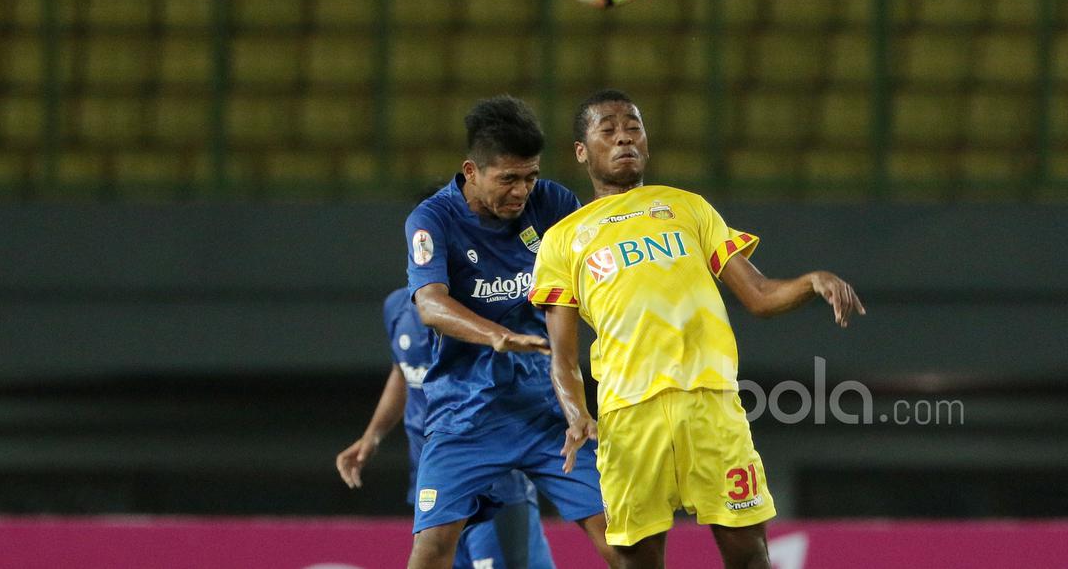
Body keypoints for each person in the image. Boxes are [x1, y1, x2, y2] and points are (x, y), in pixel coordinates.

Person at [529, 89, 865, 569]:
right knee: (634, 562)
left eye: (633, 127)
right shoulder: (563, 240)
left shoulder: (688, 207)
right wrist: (575, 411)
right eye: (608, 130)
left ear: (646, 143)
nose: (624, 136)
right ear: (583, 152)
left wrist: (811, 281)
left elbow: (760, 295)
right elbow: (561, 354)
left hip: (711, 404)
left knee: (750, 556)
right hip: (629, 415)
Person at [402, 96, 616, 568]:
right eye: (508, 179)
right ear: (471, 171)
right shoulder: (432, 220)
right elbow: (432, 305)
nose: (522, 191)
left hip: (548, 411)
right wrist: (497, 335)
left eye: (530, 176)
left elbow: (598, 280)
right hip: (465, 413)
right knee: (433, 548)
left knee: (623, 540)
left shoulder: (554, 203)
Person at [336, 285, 556, 569]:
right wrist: (372, 436)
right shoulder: (396, 306)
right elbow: (402, 372)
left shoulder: (485, 307)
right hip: (433, 483)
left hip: (493, 483)